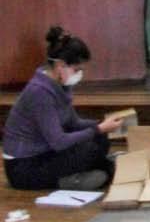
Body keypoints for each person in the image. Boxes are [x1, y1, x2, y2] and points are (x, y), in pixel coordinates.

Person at [2, 27, 121, 191]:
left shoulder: (60, 85)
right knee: (91, 149)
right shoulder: (40, 92)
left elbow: (73, 122)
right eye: (76, 69)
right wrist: (97, 129)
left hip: (45, 153)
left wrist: (101, 125)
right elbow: (58, 142)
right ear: (60, 65)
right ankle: (69, 180)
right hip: (24, 168)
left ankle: (96, 170)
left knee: (100, 139)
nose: (79, 74)